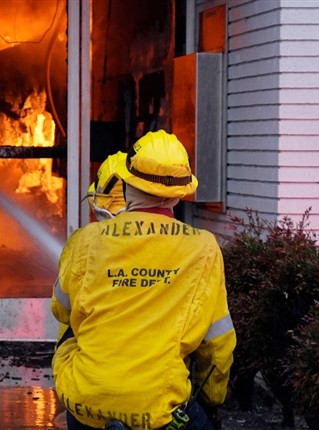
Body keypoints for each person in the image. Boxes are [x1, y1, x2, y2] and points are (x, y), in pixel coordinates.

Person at [51, 130, 236, 430]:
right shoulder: (203, 248)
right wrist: (212, 398)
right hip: (158, 413)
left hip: (86, 405)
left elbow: (61, 310)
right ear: (179, 194)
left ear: (126, 183)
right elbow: (217, 345)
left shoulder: (87, 240)